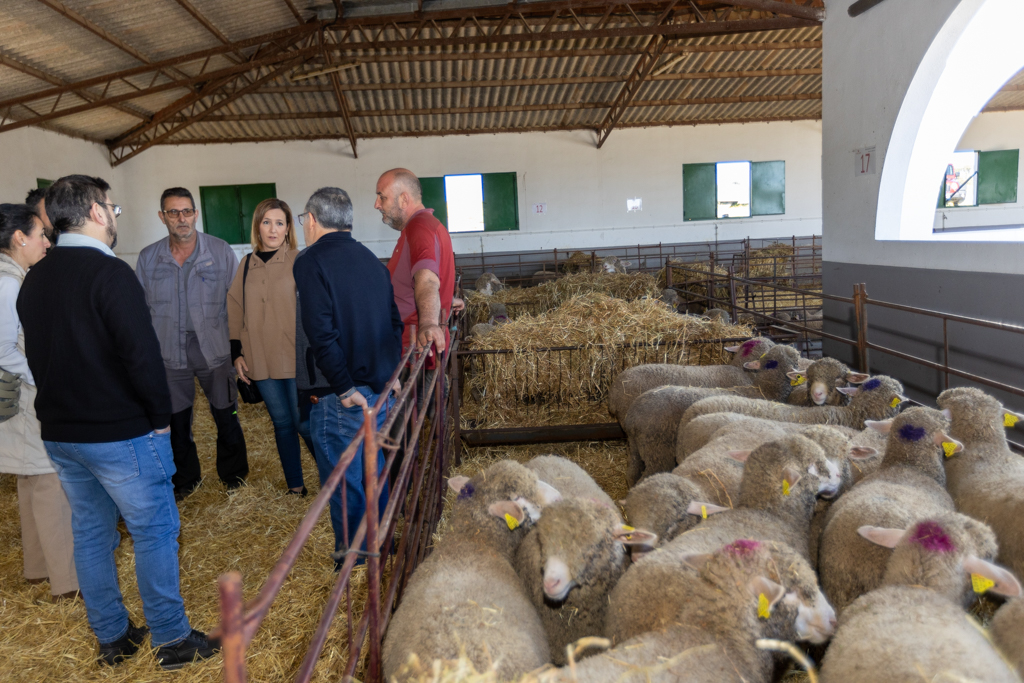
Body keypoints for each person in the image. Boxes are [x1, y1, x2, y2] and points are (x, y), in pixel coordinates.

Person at [17, 175, 218, 668]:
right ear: (96, 211)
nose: (113, 216)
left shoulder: (36, 276)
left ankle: (112, 636)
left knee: (90, 532)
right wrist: (159, 419)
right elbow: (142, 356)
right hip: (119, 431)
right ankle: (171, 640)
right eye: (112, 207)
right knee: (154, 530)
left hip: (62, 433)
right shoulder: (111, 274)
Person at [293, 187, 403, 565]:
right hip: (378, 389)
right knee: (373, 471)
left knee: (344, 481)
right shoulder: (371, 260)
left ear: (311, 219)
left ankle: (355, 558)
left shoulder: (310, 262)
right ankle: (381, 545)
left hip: (342, 394)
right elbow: (393, 322)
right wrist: (391, 376)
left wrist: (341, 386)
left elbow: (321, 332)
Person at [136, 187, 248, 499]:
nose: (181, 218)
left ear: (196, 214)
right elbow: (140, 312)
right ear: (162, 217)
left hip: (215, 349)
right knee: (176, 424)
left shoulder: (221, 252)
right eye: (173, 212)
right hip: (168, 352)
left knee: (227, 417)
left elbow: (238, 304)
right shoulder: (148, 259)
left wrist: (239, 349)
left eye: (186, 211)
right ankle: (185, 481)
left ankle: (234, 477)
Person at [0, 203, 79, 602]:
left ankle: (36, 568)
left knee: (29, 480)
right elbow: (4, 349)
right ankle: (65, 581)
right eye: (40, 234)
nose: (46, 242)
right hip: (26, 395)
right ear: (19, 238)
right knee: (49, 484)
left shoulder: (12, 276)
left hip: (16, 396)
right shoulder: (9, 282)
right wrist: (41, 378)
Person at [227, 199, 313, 495]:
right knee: (282, 423)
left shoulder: (299, 260)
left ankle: (332, 480)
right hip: (259, 359)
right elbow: (234, 308)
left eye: (279, 223)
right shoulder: (246, 264)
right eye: (266, 222)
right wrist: (236, 353)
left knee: (304, 425)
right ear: (258, 227)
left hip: (293, 356)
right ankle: (296, 486)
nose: (272, 229)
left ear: (289, 228)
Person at [374, 169, 457, 354]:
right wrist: (446, 300)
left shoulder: (419, 227)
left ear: (404, 199)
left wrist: (427, 323)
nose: (376, 205)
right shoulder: (424, 225)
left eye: (382, 197)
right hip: (409, 342)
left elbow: (427, 280)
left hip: (413, 347)